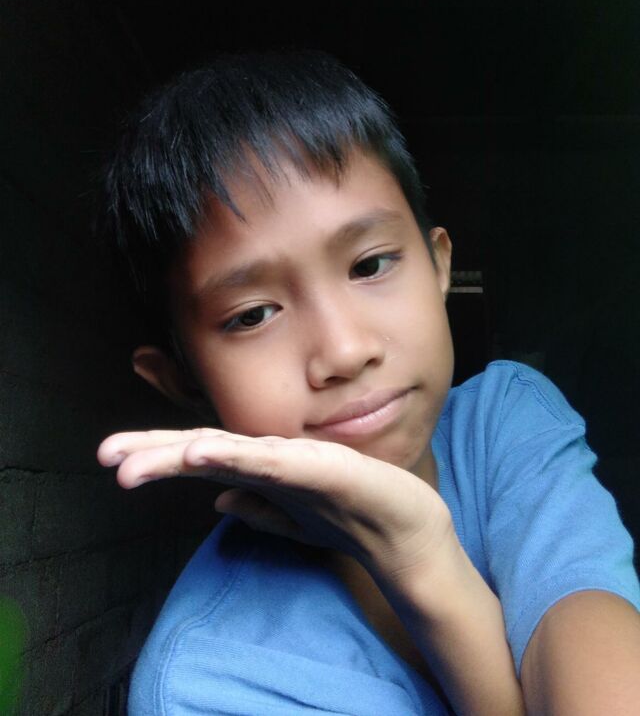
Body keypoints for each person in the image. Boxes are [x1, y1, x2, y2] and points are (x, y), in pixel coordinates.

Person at [97, 51, 640, 715]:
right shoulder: (210, 684)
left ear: (439, 266)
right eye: (253, 314)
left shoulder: (503, 423)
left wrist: (422, 558)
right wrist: (417, 556)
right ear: (179, 378)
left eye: (371, 264)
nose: (345, 351)